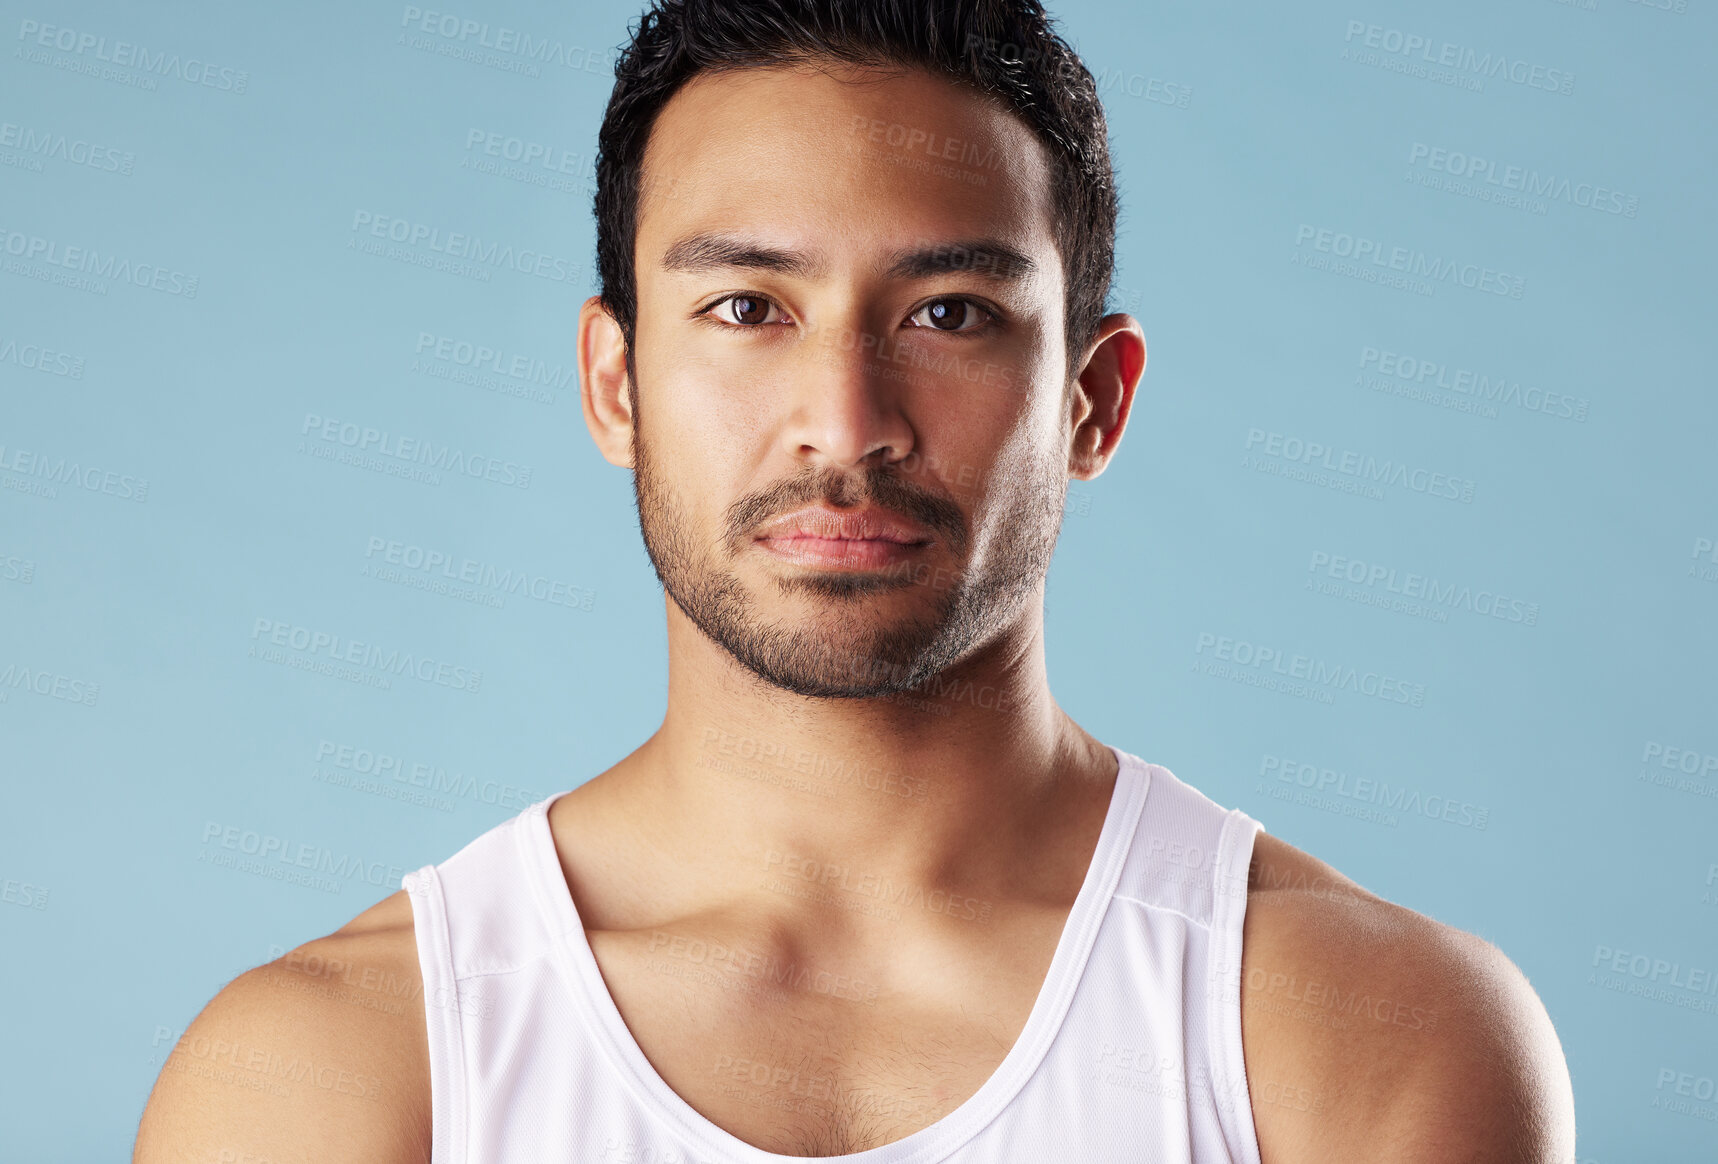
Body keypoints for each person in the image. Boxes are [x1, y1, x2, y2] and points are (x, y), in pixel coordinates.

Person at [134, 1, 1576, 1160]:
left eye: (947, 312)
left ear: (1092, 400)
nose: (846, 416)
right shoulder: (327, 1074)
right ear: (615, 381)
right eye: (747, 307)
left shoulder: (1367, 1039)